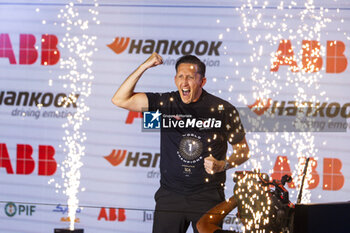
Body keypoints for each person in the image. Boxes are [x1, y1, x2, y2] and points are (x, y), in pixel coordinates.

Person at [112, 52, 250, 233]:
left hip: (207, 196)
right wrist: (144, 66)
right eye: (180, 76)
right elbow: (120, 99)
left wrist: (222, 165)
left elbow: (243, 151)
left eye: (191, 77)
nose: (184, 83)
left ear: (202, 81)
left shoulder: (223, 110)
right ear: (175, 79)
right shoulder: (165, 104)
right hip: (170, 195)